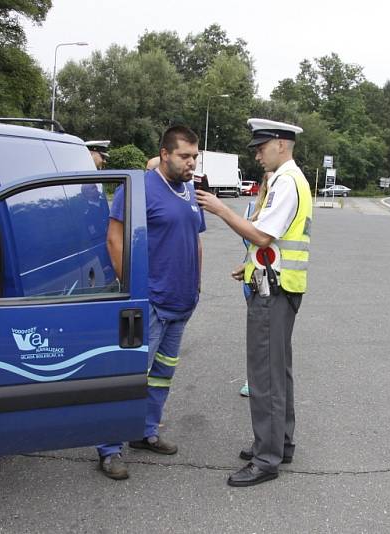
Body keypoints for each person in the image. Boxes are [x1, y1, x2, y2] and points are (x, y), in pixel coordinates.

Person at [195, 118, 311, 487]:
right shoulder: (285, 180)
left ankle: (267, 458)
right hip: (277, 284)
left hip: (273, 292)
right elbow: (272, 245)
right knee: (278, 371)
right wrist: (247, 265)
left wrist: (221, 209)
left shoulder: (287, 182)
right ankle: (280, 442)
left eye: (261, 148)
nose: (257, 155)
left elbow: (263, 235)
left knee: (265, 375)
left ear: (280, 144)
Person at [97, 125, 205, 480]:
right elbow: (115, 240)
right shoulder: (139, 188)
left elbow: (196, 239)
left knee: (161, 375)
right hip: (151, 303)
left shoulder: (189, 189)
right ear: (164, 153)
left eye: (194, 156)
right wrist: (134, 290)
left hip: (181, 302)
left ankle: (145, 431)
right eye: (185, 156)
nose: (192, 163)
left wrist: (197, 285)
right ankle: (109, 448)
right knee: (130, 375)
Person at [238, 171, 273, 398]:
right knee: (257, 334)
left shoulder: (285, 208)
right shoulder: (251, 207)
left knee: (268, 334)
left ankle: (265, 381)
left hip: (274, 280)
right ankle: (255, 378)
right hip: (252, 277)